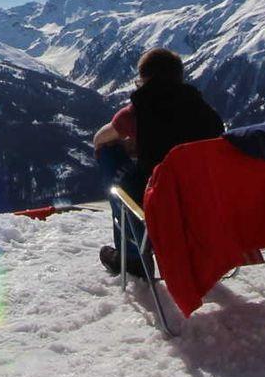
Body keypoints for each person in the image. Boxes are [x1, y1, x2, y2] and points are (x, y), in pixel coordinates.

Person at [90, 47, 224, 275]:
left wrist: (129, 143)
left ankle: (133, 256)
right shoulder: (207, 113)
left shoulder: (137, 112)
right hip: (205, 202)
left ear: (145, 80)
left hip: (159, 202)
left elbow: (99, 139)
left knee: (108, 152)